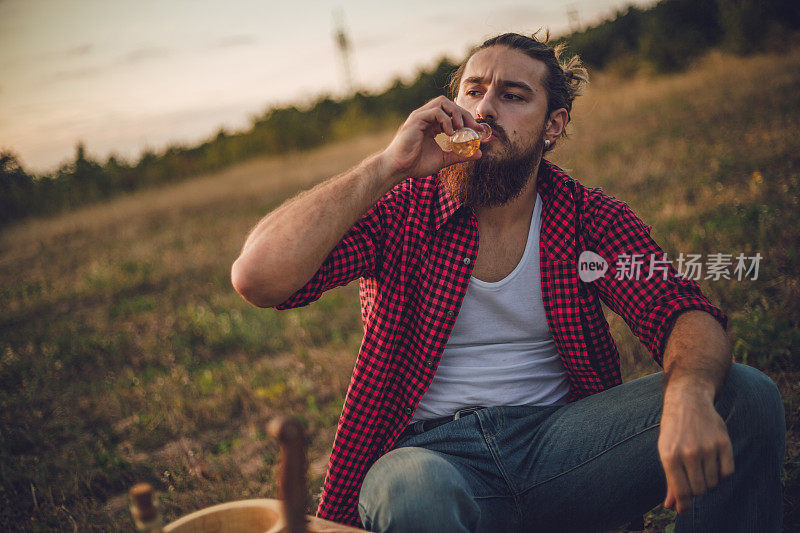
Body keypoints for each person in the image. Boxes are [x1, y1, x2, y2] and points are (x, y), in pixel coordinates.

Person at [231, 32, 785, 532]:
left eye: (513, 96)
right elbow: (259, 279)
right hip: (430, 456)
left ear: (554, 126)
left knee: (746, 396)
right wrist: (384, 167)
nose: (485, 109)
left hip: (561, 449)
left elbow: (680, 309)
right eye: (473, 91)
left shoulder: (590, 216)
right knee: (412, 491)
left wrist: (688, 393)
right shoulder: (400, 207)